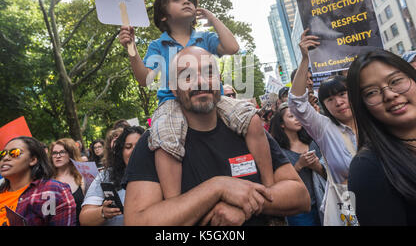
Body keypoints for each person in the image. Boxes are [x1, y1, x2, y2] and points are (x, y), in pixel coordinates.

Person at [118, 0, 274, 200]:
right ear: (163, 16)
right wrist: (131, 49)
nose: (186, 1)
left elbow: (232, 48)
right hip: (171, 103)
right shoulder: (157, 45)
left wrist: (212, 19)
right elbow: (145, 79)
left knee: (251, 119)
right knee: (165, 139)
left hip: (213, 100)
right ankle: (175, 203)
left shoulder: (206, 38)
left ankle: (268, 187)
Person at [122, 46, 310, 226]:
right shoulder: (156, 142)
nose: (200, 82)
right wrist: (217, 188)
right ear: (173, 88)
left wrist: (244, 206)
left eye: (208, 72)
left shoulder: (246, 129)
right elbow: (137, 221)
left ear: (218, 80)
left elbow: (300, 197)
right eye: (186, 76)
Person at [346, 49, 416, 225]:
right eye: (372, 92)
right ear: (362, 106)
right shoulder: (367, 168)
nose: (389, 95)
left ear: (415, 79)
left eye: (396, 81)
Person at [288, 29, 358, 224]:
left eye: (342, 94)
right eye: (329, 98)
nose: (338, 102)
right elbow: (297, 103)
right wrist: (305, 60)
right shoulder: (324, 129)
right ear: (324, 105)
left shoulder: (375, 121)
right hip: (349, 205)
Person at [0, 136, 76, 226]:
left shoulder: (53, 192)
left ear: (33, 160)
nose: (5, 158)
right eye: (2, 154)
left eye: (14, 153)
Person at [270, 103, 326, 226]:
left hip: (323, 202)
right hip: (299, 210)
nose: (297, 118)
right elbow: (279, 184)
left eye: (298, 115)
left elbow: (329, 176)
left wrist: (316, 166)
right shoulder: (279, 151)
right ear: (282, 124)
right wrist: (299, 165)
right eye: (291, 116)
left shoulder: (313, 142)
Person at [80, 126, 144, 226]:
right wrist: (103, 212)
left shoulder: (160, 173)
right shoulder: (105, 176)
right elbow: (84, 218)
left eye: (139, 146)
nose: (134, 151)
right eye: (128, 147)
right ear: (121, 152)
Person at [50, 138, 85, 226]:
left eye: (62, 152)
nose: (57, 156)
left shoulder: (82, 179)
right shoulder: (46, 179)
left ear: (71, 154)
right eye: (54, 153)